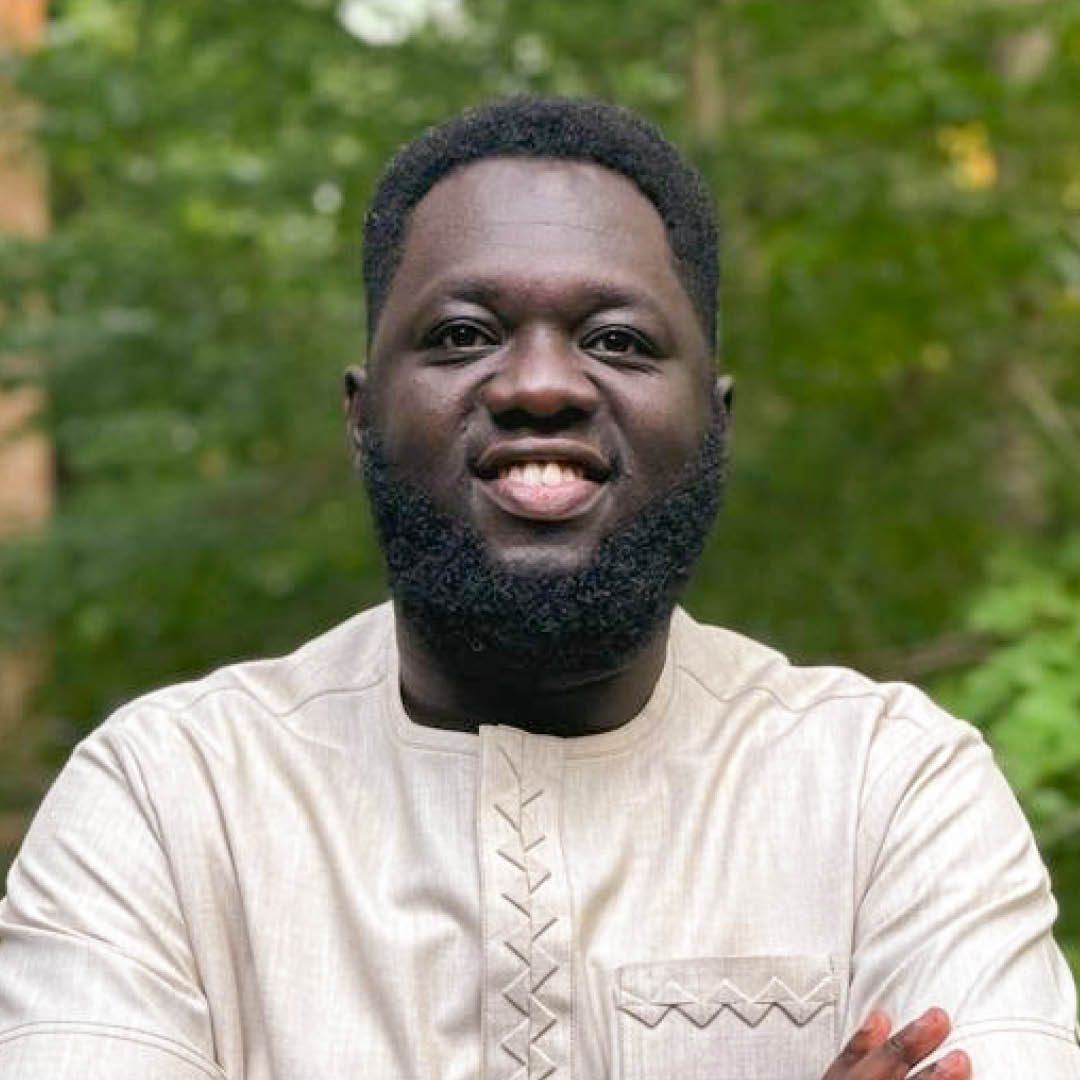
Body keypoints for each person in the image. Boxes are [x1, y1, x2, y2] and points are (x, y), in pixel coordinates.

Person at [0, 96, 1076, 1080]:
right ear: (361, 416)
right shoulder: (171, 800)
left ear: (716, 421)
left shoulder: (888, 790)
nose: (540, 385)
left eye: (616, 341)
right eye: (464, 336)